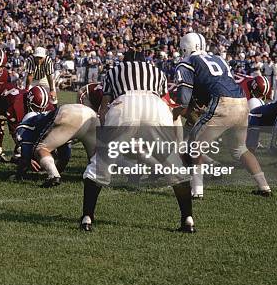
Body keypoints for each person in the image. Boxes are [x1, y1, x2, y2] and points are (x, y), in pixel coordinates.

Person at [79, 57, 195, 233]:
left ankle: (87, 217)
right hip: (156, 107)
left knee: (100, 165)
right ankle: (188, 219)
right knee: (174, 166)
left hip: (124, 105)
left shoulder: (114, 71)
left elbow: (104, 107)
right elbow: (166, 101)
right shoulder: (158, 72)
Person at [175, 32, 271, 199]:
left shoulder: (187, 62)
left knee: (194, 144)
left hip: (222, 104)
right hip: (241, 102)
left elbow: (184, 97)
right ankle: (264, 186)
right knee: (240, 149)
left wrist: (178, 110)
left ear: (184, 47)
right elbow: (220, 81)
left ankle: (197, 190)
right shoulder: (218, 59)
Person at [16, 103, 98, 188]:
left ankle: (53, 176)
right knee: (95, 157)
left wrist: (19, 174)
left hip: (70, 114)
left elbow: (25, 158)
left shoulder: (26, 126)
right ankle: (100, 176)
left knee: (41, 149)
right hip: (90, 113)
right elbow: (65, 156)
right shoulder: (45, 120)